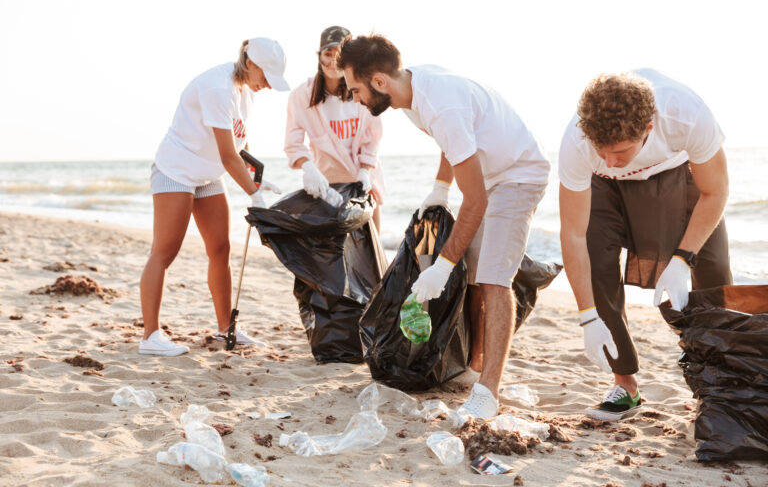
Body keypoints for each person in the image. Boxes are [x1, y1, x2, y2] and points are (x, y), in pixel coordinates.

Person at [338, 34, 551, 418]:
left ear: (380, 82)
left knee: (494, 279)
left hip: (518, 175)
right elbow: (453, 144)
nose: (354, 98)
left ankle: (488, 392)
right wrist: (440, 188)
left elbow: (476, 201)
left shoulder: (440, 106)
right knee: (473, 273)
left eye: (355, 89)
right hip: (488, 174)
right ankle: (475, 367)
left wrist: (441, 267)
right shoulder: (411, 93)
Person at [558, 69, 732, 420]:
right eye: (600, 150)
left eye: (619, 151)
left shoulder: (684, 115)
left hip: (676, 173)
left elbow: (716, 191)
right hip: (605, 188)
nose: (609, 159)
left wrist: (682, 260)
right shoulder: (578, 144)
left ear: (648, 130)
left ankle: (720, 384)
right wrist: (587, 317)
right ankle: (625, 385)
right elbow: (572, 234)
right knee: (596, 261)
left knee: (713, 269)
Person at [138, 38, 290, 356]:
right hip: (176, 171)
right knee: (164, 252)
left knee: (220, 249)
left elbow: (237, 148)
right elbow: (226, 155)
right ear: (250, 63)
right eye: (266, 76)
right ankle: (150, 337)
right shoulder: (217, 88)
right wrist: (253, 192)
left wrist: (259, 177)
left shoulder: (244, 91)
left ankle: (225, 329)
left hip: (207, 176)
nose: (268, 86)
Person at [285, 26, 384, 230]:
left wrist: (365, 172)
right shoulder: (301, 96)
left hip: (364, 183)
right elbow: (293, 143)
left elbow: (373, 138)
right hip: (328, 189)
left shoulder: (365, 90)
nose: (332, 61)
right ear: (319, 56)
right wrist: (308, 168)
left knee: (372, 248)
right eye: (327, 54)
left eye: (338, 54)